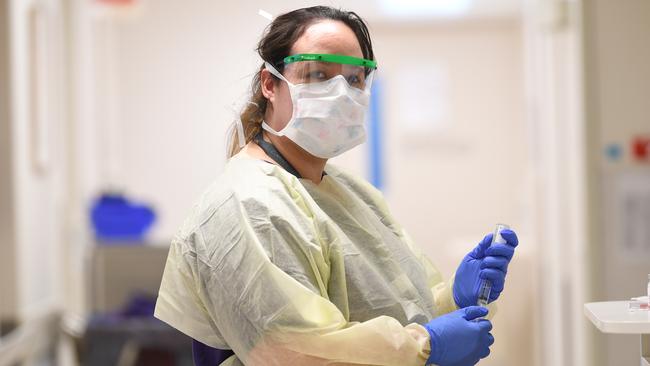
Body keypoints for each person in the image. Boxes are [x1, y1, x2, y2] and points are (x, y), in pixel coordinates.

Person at [154, 6, 518, 366]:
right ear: (270, 84)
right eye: (317, 74)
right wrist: (426, 346)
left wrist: (452, 300)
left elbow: (386, 310)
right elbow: (298, 353)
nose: (341, 93)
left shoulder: (350, 193)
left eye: (355, 79)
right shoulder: (248, 205)